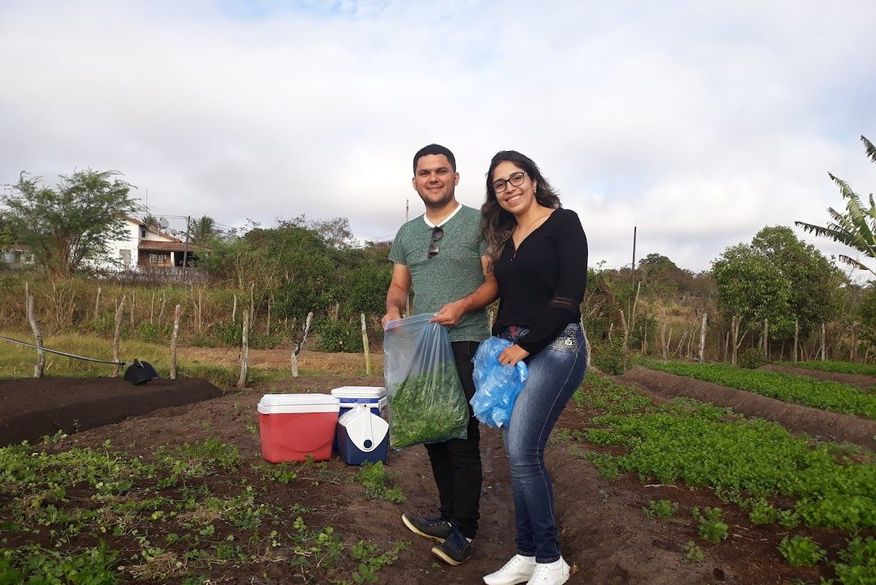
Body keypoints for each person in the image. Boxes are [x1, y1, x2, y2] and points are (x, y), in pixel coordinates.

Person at [382, 144, 498, 566]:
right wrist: (394, 310)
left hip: (464, 340)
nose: (433, 178)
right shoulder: (407, 234)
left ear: (455, 177)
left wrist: (463, 306)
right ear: (415, 181)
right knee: (433, 432)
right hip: (423, 347)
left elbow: (493, 283)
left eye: (441, 171)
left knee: (462, 438)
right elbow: (399, 287)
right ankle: (448, 516)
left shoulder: (477, 225)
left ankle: (466, 530)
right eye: (425, 173)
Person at [479, 151, 588, 585]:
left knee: (524, 450)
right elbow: (506, 294)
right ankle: (526, 555)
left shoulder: (565, 223)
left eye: (515, 178)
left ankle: (551, 558)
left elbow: (568, 297)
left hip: (556, 346)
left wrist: (527, 346)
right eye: (499, 184)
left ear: (534, 178)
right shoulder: (504, 241)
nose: (509, 188)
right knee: (515, 452)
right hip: (511, 350)